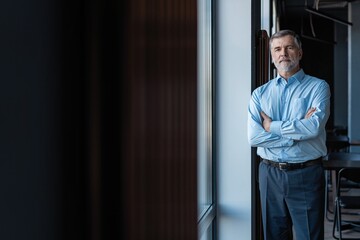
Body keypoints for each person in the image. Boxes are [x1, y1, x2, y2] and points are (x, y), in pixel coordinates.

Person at [247, 29, 331, 240]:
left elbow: (313, 128)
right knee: (273, 235)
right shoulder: (259, 94)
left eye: (289, 47)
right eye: (277, 49)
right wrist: (297, 131)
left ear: (300, 53)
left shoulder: (318, 87)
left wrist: (272, 126)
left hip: (307, 174)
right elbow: (254, 138)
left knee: (309, 236)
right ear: (272, 56)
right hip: (269, 174)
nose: (283, 53)